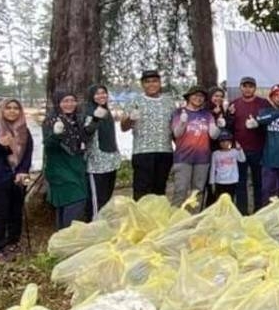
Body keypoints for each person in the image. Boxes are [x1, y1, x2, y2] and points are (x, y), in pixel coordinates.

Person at [0, 98, 33, 262]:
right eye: (8, 108)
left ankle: (13, 243)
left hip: (19, 179)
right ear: (2, 111)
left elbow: (27, 155)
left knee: (16, 213)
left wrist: (23, 171)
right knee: (1, 214)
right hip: (1, 179)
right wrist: (0, 144)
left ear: (20, 111)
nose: (12, 111)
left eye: (15, 108)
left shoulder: (25, 131)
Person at [121, 69, 174, 198]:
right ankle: (140, 218)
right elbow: (123, 127)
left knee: (160, 190)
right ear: (142, 84)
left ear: (160, 83)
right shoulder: (134, 101)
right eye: (147, 82)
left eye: (155, 81)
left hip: (165, 151)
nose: (151, 84)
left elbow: (175, 127)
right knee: (142, 191)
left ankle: (157, 217)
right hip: (142, 152)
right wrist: (130, 119)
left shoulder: (169, 102)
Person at [43, 91, 88, 229]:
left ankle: (62, 237)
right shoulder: (51, 121)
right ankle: (65, 237)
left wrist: (96, 121)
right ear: (58, 103)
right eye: (65, 101)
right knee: (75, 201)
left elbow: (84, 138)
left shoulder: (76, 121)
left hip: (76, 167)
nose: (69, 104)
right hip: (60, 169)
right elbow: (48, 146)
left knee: (67, 205)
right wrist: (56, 135)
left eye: (72, 100)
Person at [170, 85, 219, 208]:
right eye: (195, 95)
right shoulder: (178, 112)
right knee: (180, 190)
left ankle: (193, 221)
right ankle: (175, 220)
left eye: (201, 96)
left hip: (202, 159)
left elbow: (213, 135)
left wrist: (218, 126)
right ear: (189, 97)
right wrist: (182, 122)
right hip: (183, 158)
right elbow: (176, 133)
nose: (198, 98)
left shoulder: (207, 115)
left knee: (197, 192)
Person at [229, 76, 269, 214]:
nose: (247, 89)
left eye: (250, 86)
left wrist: (258, 125)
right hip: (239, 150)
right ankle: (243, 213)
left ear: (255, 88)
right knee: (240, 183)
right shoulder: (234, 104)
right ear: (240, 87)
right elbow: (229, 127)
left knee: (259, 183)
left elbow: (268, 124)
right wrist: (234, 143)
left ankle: (258, 212)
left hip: (258, 149)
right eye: (245, 86)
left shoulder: (263, 104)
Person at [82, 85, 121, 220]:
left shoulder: (106, 111)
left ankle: (102, 227)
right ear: (92, 96)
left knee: (106, 197)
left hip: (110, 161)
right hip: (96, 164)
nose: (101, 96)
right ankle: (93, 226)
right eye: (97, 94)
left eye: (103, 93)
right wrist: (95, 119)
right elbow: (86, 134)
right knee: (95, 200)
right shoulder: (89, 112)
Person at [208, 131, 244, 202]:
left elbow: (242, 159)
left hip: (232, 181)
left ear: (230, 142)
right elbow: (213, 169)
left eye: (226, 141)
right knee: (220, 201)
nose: (224, 143)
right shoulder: (216, 154)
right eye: (222, 141)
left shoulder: (234, 152)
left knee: (230, 200)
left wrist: (240, 149)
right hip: (220, 181)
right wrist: (212, 182)